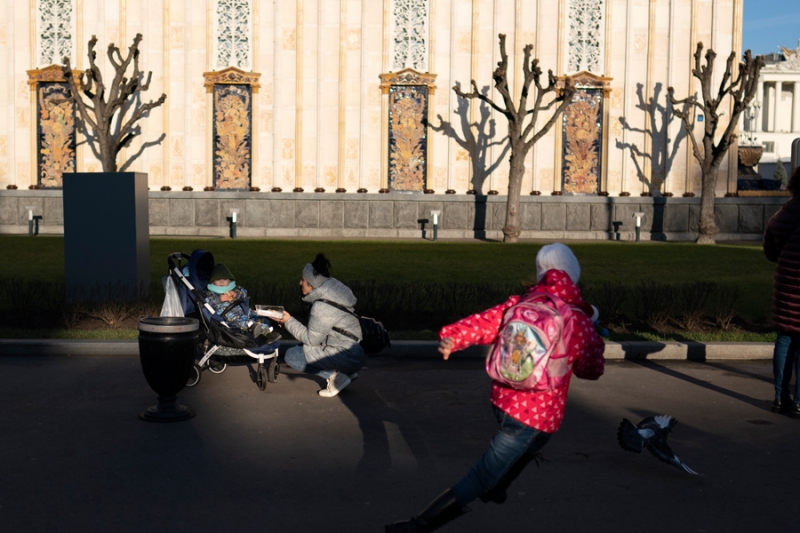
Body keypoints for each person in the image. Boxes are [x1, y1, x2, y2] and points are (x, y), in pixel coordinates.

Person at [385, 243, 605, 533]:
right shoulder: (576, 319)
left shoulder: (520, 304)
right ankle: (418, 526)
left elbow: (483, 323)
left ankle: (498, 483)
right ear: (574, 276)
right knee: (482, 476)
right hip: (534, 415)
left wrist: (453, 337)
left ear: (541, 273)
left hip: (501, 400)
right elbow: (592, 369)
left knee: (537, 440)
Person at [274, 253, 365, 398]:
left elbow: (311, 340)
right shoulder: (333, 294)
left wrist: (288, 321)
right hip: (353, 351)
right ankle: (345, 372)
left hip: (346, 355)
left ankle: (336, 377)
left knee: (292, 356)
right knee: (301, 346)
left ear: (312, 283)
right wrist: (288, 322)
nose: (300, 283)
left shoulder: (322, 307)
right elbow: (317, 331)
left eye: (303, 280)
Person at [763, 166, 800, 419]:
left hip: (787, 283)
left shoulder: (783, 213)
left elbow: (770, 247)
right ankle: (799, 402)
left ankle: (779, 398)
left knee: (785, 339)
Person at [204, 263, 273, 339]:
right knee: (243, 323)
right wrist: (219, 300)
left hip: (245, 313)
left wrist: (237, 295)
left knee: (260, 318)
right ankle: (260, 330)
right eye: (218, 280)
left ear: (230, 280)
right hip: (230, 318)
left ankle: (266, 330)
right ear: (213, 282)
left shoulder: (235, 289)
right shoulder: (211, 294)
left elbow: (244, 294)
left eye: (225, 279)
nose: (221, 282)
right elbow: (207, 303)